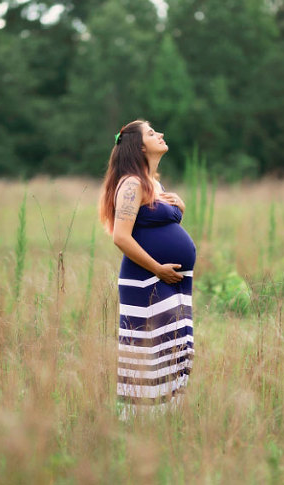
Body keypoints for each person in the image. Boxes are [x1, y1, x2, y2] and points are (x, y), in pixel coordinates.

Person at [98, 120, 196, 417]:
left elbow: (156, 224)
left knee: (175, 351)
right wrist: (158, 269)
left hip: (168, 280)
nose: (161, 134)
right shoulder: (132, 183)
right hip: (146, 279)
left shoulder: (154, 183)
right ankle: (139, 422)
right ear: (140, 147)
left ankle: (165, 419)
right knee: (148, 354)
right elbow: (121, 236)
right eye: (152, 133)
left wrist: (180, 208)